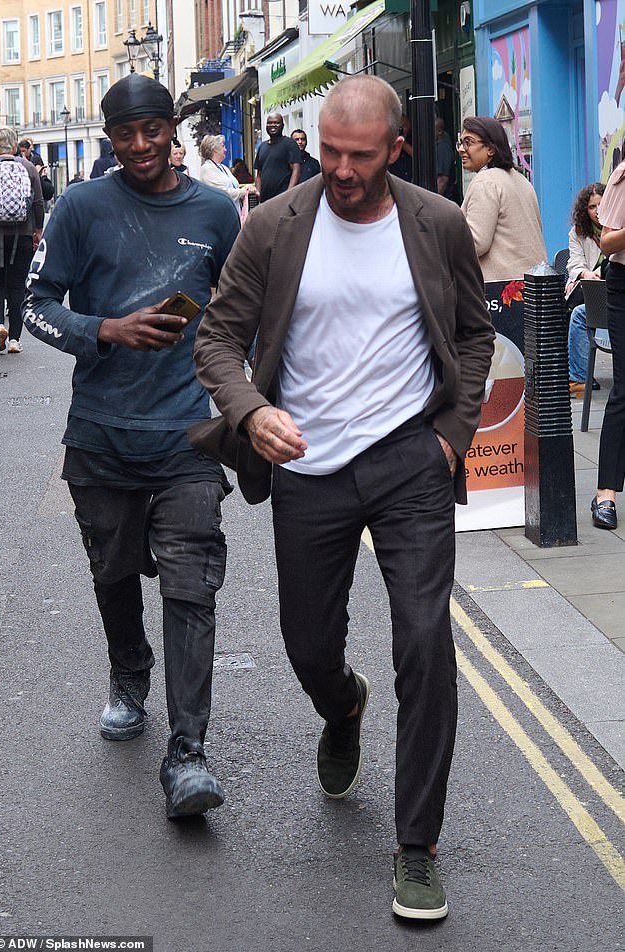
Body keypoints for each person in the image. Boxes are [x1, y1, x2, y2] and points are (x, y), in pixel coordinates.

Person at [190, 75, 494, 919]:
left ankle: (417, 847)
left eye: (359, 155)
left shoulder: (436, 225)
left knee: (427, 641)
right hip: (308, 464)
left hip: (409, 460)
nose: (340, 168)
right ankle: (343, 703)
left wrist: (449, 438)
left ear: (397, 149)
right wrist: (251, 414)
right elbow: (218, 336)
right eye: (329, 150)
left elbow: (473, 336)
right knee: (308, 645)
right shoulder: (278, 225)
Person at [22, 73, 240, 817]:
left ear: (171, 130)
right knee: (113, 575)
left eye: (153, 130)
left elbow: (241, 311)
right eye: (126, 133)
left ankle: (188, 753)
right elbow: (34, 308)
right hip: (102, 438)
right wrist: (105, 330)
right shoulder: (81, 207)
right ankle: (128, 671)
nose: (141, 145)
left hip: (186, 437)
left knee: (191, 586)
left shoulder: (216, 212)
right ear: (110, 137)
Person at [459, 116, 547, 281]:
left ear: (490, 149)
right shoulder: (521, 179)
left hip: (501, 292)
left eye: (468, 142)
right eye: (461, 142)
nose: (461, 149)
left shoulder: (485, 181)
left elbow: (476, 243)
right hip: (532, 286)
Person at [590, 162, 625, 530]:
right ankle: (606, 494)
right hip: (623, 285)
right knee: (624, 390)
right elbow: (607, 241)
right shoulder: (623, 176)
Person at [0, 127, 44, 356]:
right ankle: (14, 339)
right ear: (14, 146)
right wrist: (37, 230)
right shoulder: (28, 167)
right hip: (22, 234)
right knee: (17, 286)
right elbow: (39, 202)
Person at [565, 184, 607, 398]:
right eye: (592, 206)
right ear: (585, 210)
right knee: (576, 309)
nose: (598, 211)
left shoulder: (617, 228)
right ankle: (579, 377)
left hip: (612, 293)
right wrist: (586, 274)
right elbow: (574, 263)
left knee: (579, 314)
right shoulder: (578, 233)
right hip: (590, 289)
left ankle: (579, 378)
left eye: (601, 204)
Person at [253, 113, 301, 202]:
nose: (273, 125)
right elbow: (259, 175)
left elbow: (296, 170)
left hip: (283, 199)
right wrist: (258, 193)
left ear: (282, 125)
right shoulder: (262, 147)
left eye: (276, 123)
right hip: (265, 201)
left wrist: (288, 194)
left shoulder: (289, 144)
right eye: (270, 123)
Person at [199, 134, 242, 208]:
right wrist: (244, 191)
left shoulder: (223, 168)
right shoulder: (207, 169)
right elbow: (222, 194)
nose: (225, 149)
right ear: (214, 149)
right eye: (223, 146)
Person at [435, 117, 456, 201]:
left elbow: (442, 180)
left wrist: (433, 202)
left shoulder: (443, 148)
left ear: (439, 131)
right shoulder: (437, 147)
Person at [387, 113, 413, 181]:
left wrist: (402, 142)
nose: (402, 130)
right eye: (399, 128)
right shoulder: (390, 138)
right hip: (395, 177)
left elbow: (419, 157)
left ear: (408, 124)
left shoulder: (413, 137)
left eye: (404, 126)